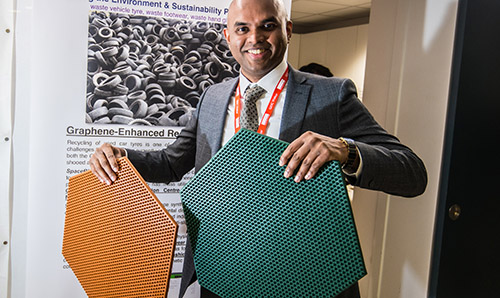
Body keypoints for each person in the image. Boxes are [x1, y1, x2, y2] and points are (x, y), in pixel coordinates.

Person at [89, 0, 427, 296]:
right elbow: (170, 163)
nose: (255, 38)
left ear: (288, 29)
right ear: (228, 36)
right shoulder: (213, 97)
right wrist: (121, 156)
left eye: (267, 26)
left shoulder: (332, 95)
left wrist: (345, 150)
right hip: (219, 270)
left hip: (297, 275)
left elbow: (412, 172)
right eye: (242, 28)